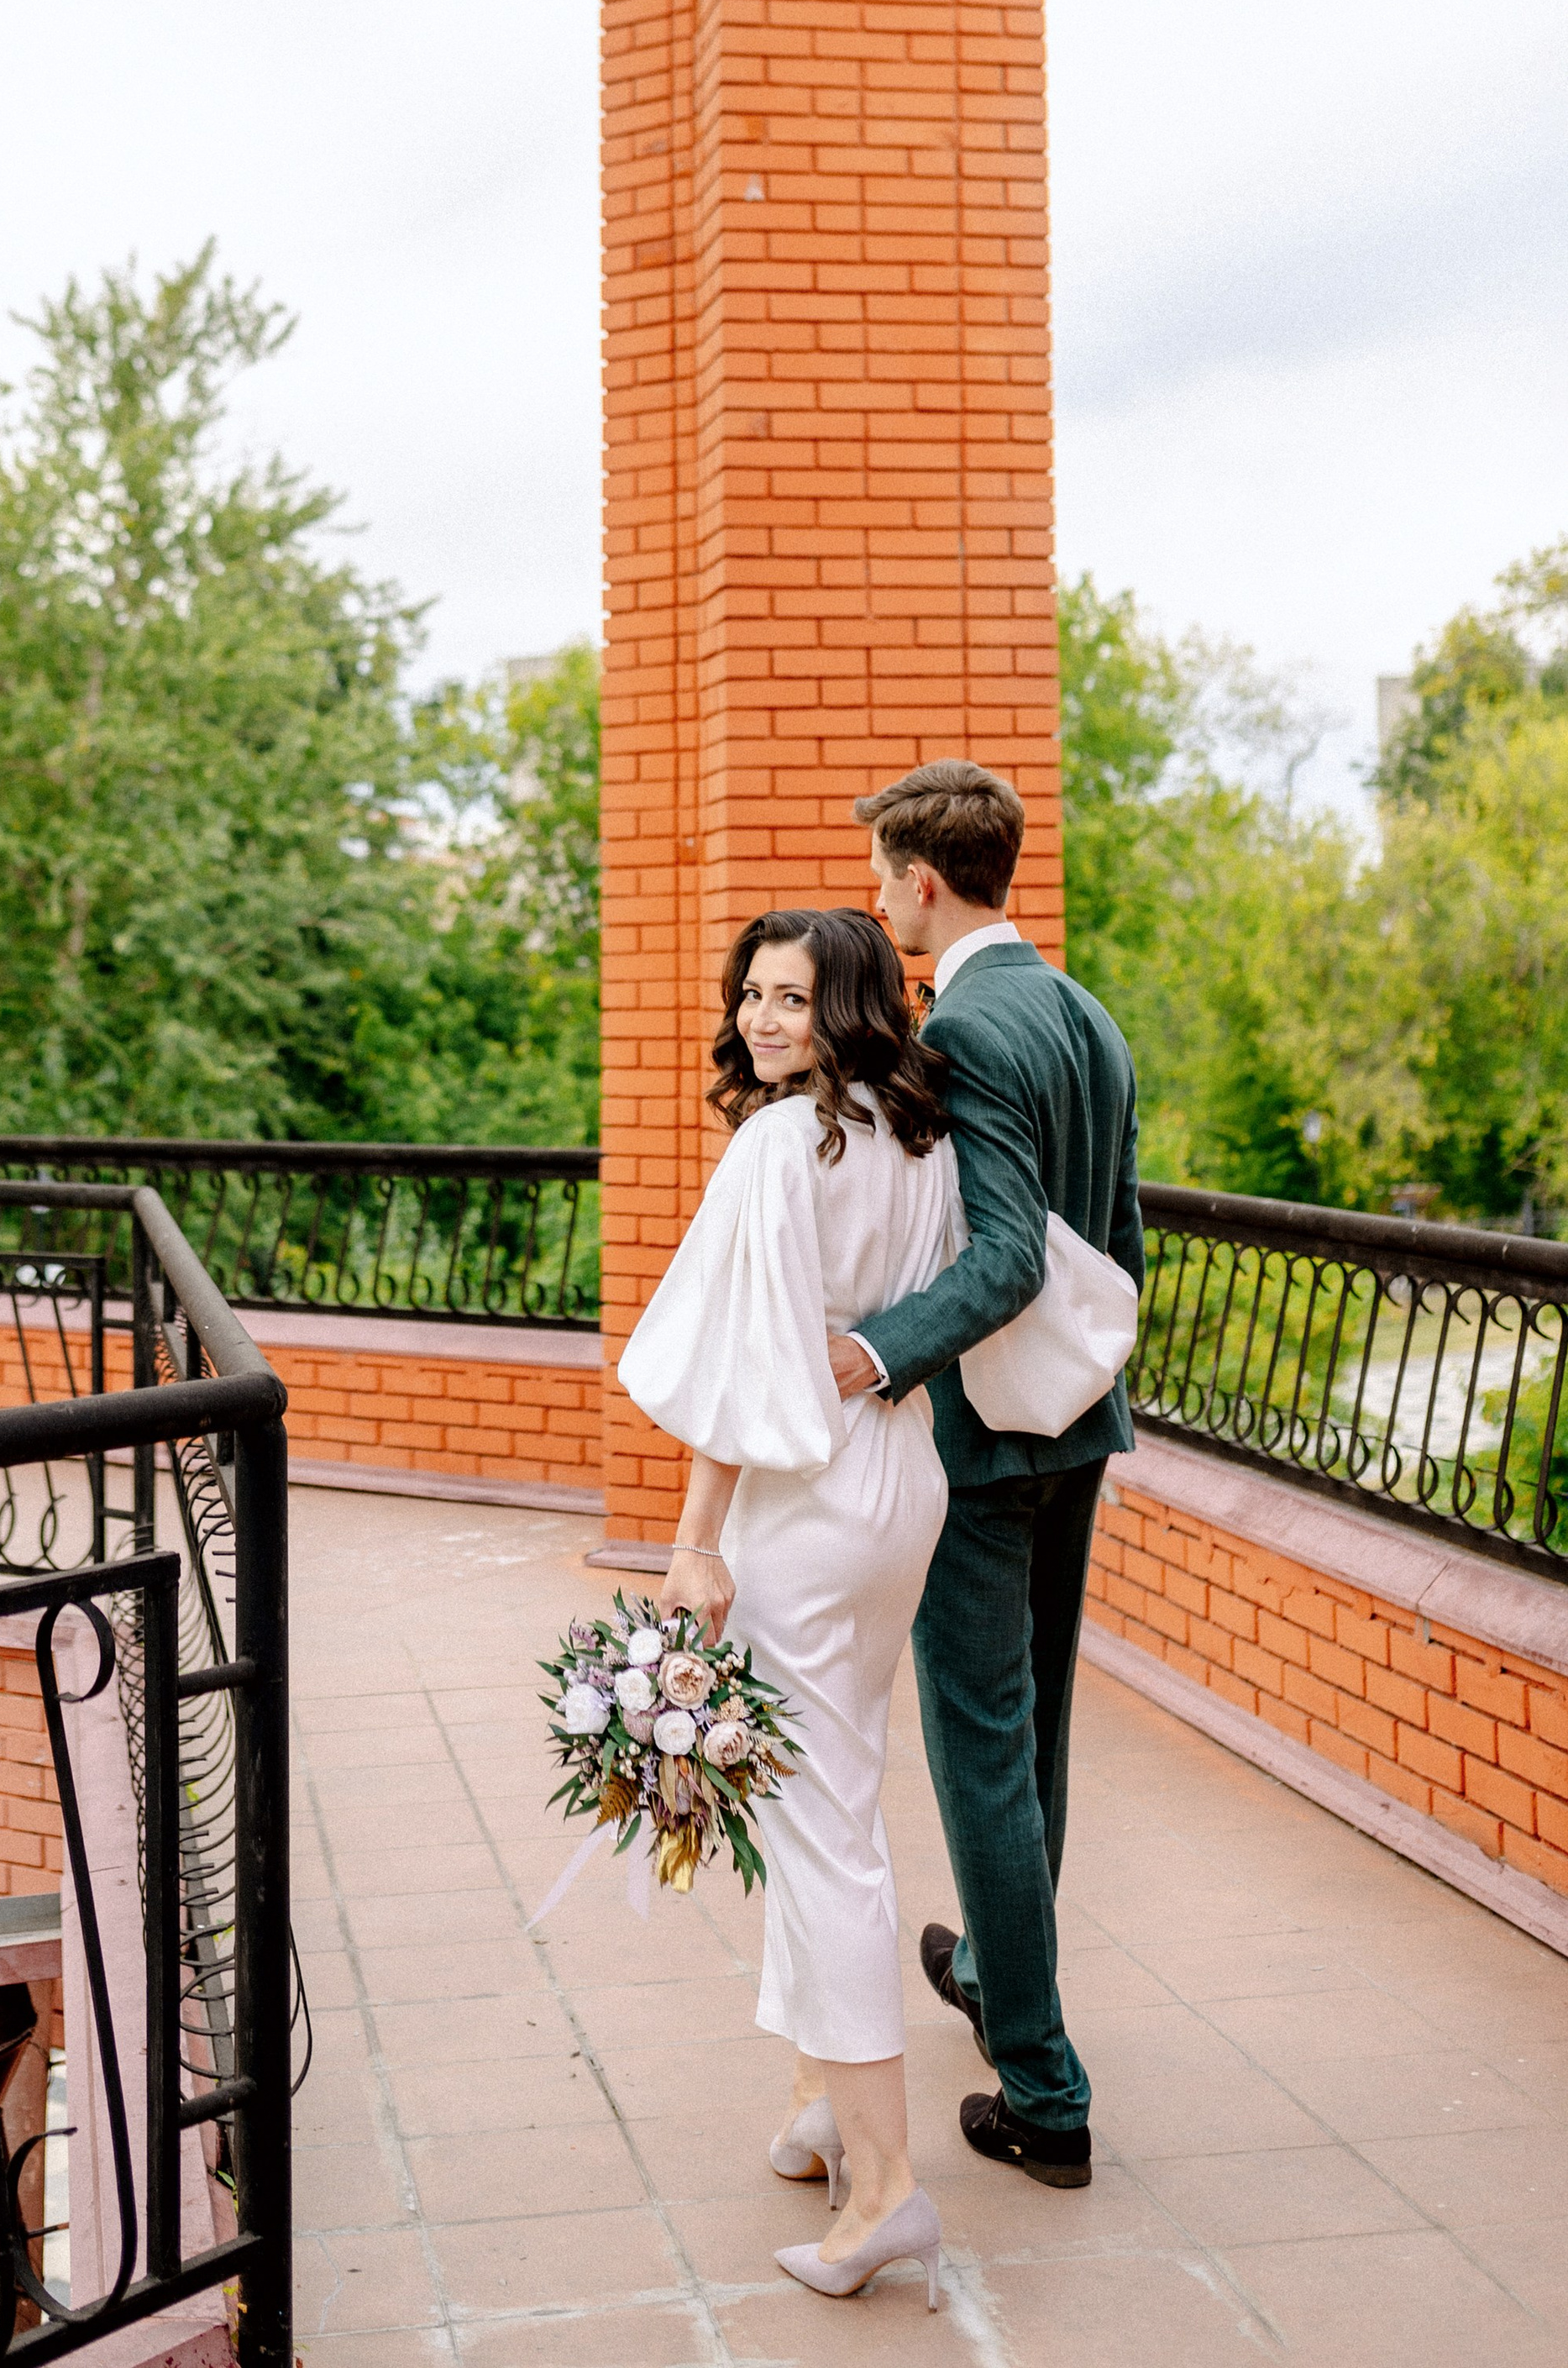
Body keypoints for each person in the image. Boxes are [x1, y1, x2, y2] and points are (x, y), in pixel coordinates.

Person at [621, 906, 957, 2309]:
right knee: (840, 1789)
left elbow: (742, 1363)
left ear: (852, 1007)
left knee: (821, 1835)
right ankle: (823, 2101)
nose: (762, 1021)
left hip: (806, 1509)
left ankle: (884, 2190)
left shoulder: (779, 1143)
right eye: (751, 995)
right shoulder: (920, 1138)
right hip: (903, 1487)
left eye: (793, 998)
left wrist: (697, 1542)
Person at [832, 759, 1141, 2192]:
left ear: (925, 880)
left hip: (984, 1439)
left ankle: (1043, 2088)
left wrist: (876, 1351)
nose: (880, 895)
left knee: (982, 1752)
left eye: (885, 875)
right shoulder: (1086, 1014)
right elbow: (1117, 1241)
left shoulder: (961, 1031)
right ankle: (1005, 1981)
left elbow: (1010, 1257)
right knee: (1040, 1739)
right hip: (1079, 1423)